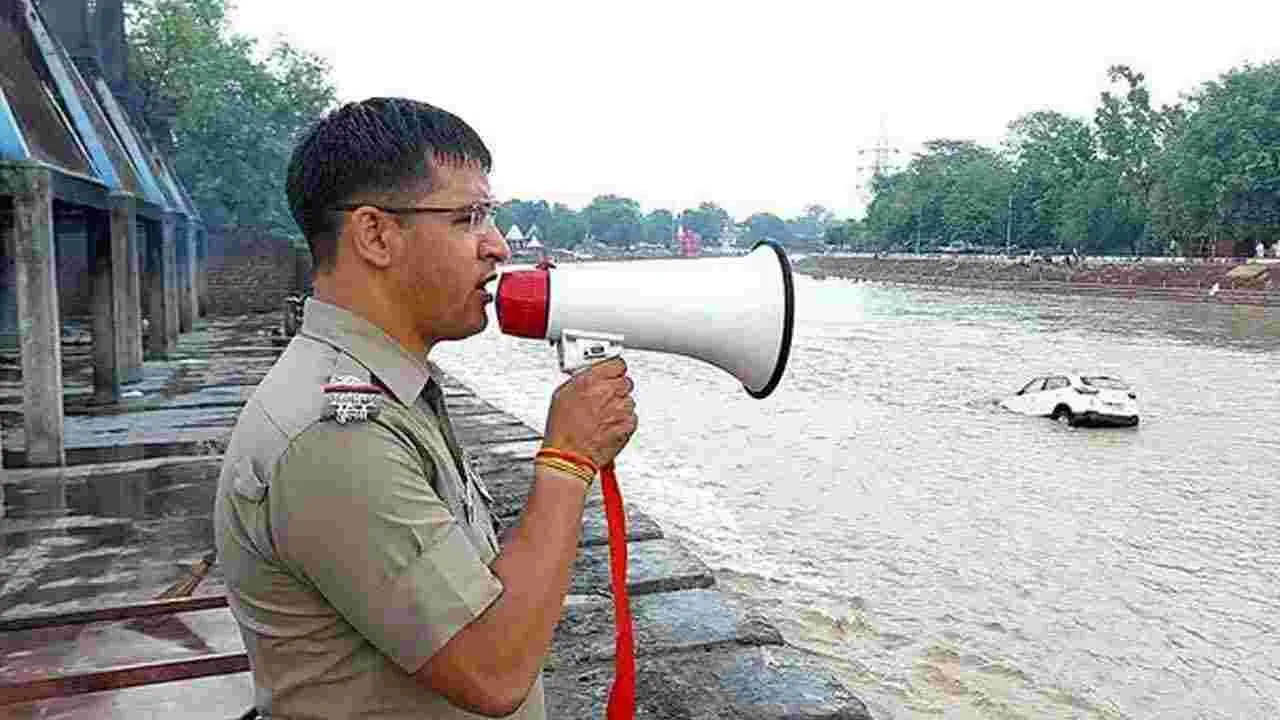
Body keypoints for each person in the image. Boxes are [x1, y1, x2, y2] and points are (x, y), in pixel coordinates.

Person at [213, 97, 638, 719]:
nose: (497, 247)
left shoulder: (388, 392)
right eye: (468, 218)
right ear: (375, 235)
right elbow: (493, 671)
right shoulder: (334, 436)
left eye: (489, 216)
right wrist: (568, 460)